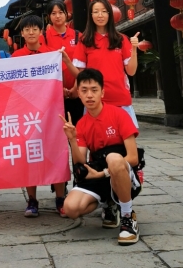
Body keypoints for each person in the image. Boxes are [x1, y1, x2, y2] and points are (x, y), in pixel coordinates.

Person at [61, 68, 142, 245]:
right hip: (98, 171)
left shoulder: (119, 114)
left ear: (102, 92)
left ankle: (128, 216)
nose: (89, 95)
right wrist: (72, 140)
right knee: (71, 209)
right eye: (84, 90)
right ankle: (109, 203)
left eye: (94, 90)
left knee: (113, 158)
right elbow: (80, 162)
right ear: (78, 94)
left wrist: (103, 173)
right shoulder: (82, 124)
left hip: (122, 171)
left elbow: (133, 157)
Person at [11, 14, 67, 218]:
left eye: (35, 28)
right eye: (27, 29)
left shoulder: (52, 54)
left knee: (57, 152)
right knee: (29, 155)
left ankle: (60, 198)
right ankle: (32, 200)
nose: (31, 32)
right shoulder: (16, 57)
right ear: (22, 33)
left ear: (41, 31)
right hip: (26, 114)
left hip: (51, 112)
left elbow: (59, 79)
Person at [69, 0, 140, 126]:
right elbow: (80, 75)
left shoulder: (121, 39)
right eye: (96, 12)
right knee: (95, 137)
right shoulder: (85, 41)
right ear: (91, 15)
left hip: (120, 99)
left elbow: (131, 71)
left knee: (126, 137)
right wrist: (67, 62)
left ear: (109, 14)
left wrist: (134, 49)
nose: (100, 15)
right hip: (94, 102)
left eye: (103, 11)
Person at [42, 0, 84, 125]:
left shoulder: (77, 36)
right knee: (57, 130)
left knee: (78, 129)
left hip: (77, 92)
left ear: (66, 14)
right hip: (53, 94)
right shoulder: (44, 38)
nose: (57, 16)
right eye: (53, 13)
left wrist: (76, 87)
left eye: (60, 12)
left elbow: (83, 63)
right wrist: (59, 88)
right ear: (49, 16)